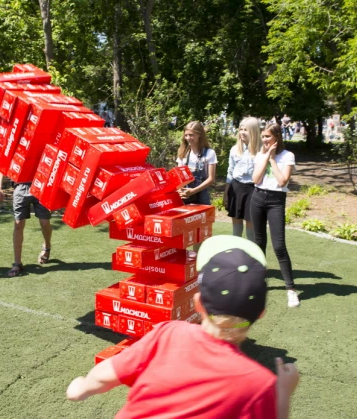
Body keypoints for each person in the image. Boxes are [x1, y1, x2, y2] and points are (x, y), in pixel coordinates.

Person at [66, 235, 300, 419]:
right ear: (261, 314)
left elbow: (106, 376)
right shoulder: (259, 384)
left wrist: (81, 388)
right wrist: (283, 394)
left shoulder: (169, 333)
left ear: (198, 303)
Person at [251, 123, 299, 308]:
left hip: (276, 201)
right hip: (257, 198)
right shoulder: (259, 154)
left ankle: (291, 290)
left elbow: (282, 181)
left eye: (267, 137)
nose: (264, 140)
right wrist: (265, 158)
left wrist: (272, 159)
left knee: (279, 246)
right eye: (263, 136)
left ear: (277, 138)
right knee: (259, 242)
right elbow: (255, 179)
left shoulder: (287, 156)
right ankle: (258, 284)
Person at [0, 174, 52, 277]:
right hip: (20, 186)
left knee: (45, 223)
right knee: (18, 225)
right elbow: (3, 166)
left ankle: (47, 247)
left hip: (41, 185)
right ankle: (17, 264)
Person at [224, 117, 261, 241]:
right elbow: (230, 172)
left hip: (253, 188)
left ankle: (251, 251)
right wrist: (226, 193)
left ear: (254, 132)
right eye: (241, 129)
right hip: (236, 187)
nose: (242, 133)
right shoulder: (235, 149)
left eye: (246, 130)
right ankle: (236, 248)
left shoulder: (261, 150)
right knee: (236, 219)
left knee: (251, 220)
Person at [176, 121, 217, 206]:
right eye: (186, 135)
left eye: (191, 135)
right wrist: (180, 189)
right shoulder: (183, 152)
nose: (188, 138)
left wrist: (193, 191)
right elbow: (179, 177)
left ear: (199, 135)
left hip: (202, 196)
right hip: (185, 196)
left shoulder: (209, 153)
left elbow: (211, 179)